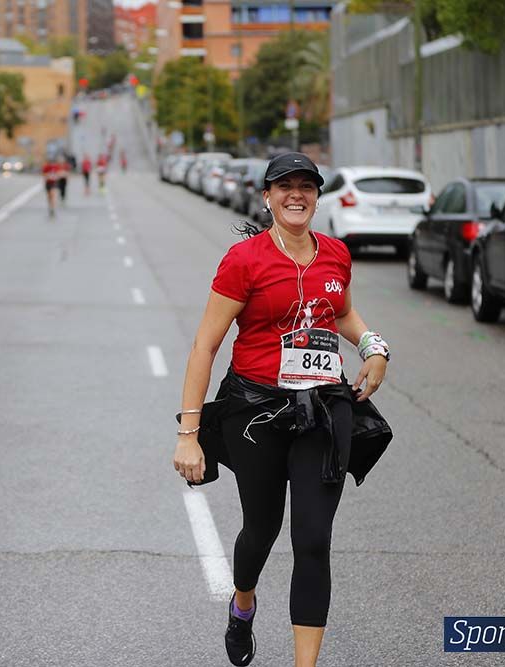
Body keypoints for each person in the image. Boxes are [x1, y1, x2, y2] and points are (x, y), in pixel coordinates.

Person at [172, 153, 390, 667]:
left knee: (313, 538)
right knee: (261, 529)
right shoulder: (244, 260)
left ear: (317, 196)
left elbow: (344, 313)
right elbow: (205, 345)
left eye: (306, 187)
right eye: (284, 186)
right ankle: (243, 602)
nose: (297, 195)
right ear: (267, 197)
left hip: (322, 409)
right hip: (256, 413)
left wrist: (374, 346)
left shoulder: (336, 253)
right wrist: (188, 433)